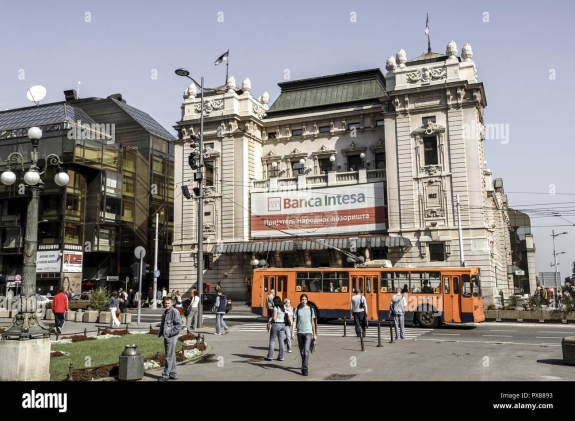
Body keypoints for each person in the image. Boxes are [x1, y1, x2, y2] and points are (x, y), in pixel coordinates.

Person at [157, 296, 182, 381]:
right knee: (172, 355)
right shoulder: (166, 311)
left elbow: (179, 325)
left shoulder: (174, 311)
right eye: (165, 303)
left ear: (172, 303)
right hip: (167, 336)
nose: (167, 304)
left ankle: (165, 375)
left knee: (169, 356)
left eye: (168, 303)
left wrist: (170, 333)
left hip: (171, 336)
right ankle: (173, 374)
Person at [291, 294, 317, 376]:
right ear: (300, 300)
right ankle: (304, 364)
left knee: (306, 350)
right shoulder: (297, 309)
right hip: (300, 333)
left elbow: (313, 322)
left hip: (308, 332)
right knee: (302, 351)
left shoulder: (311, 309)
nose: (304, 301)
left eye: (305, 299)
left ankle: (305, 368)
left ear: (307, 300)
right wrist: (292, 332)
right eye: (302, 299)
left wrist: (315, 333)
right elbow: (294, 321)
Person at [265, 296, 286, 361]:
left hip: (276, 324)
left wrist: (270, 322)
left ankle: (270, 356)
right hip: (283, 325)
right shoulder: (283, 308)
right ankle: (281, 357)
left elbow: (274, 317)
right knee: (281, 341)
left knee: (272, 341)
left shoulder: (276, 308)